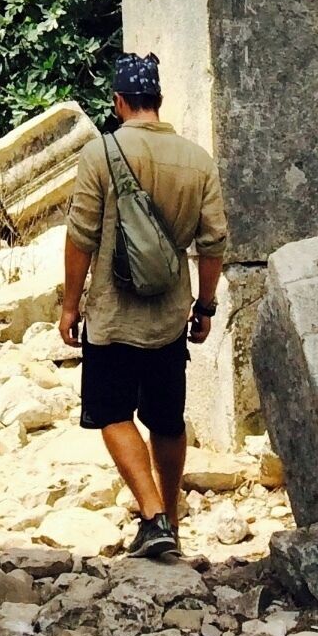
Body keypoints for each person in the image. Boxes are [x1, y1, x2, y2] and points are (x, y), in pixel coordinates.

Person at [60, 49, 228, 559]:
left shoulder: (101, 154)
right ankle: (171, 521)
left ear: (118, 101)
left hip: (112, 317)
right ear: (158, 99)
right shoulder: (197, 160)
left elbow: (80, 237)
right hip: (169, 316)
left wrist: (71, 306)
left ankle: (152, 518)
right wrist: (205, 306)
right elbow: (214, 242)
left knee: (111, 413)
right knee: (167, 419)